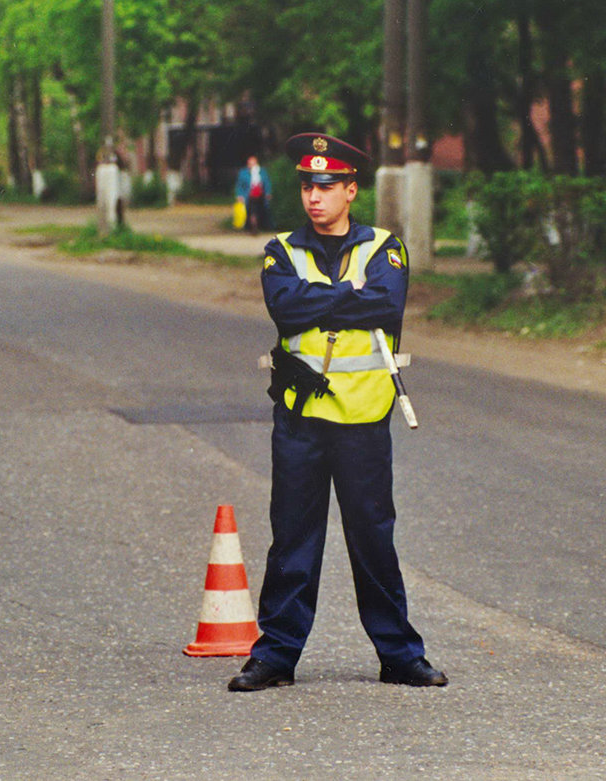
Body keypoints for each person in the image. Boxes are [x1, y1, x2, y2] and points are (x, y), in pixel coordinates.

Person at [228, 133, 446, 692]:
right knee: (293, 540)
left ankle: (399, 655)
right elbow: (285, 308)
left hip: (363, 420)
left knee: (372, 538)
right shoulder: (282, 249)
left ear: (351, 190)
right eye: (307, 185)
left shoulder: (384, 248)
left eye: (327, 186)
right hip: (300, 419)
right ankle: (276, 655)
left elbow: (385, 302)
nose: (314, 196)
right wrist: (348, 299)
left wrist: (318, 303)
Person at [234, 154, 273, 234]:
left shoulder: (262, 172)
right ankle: (254, 228)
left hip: (260, 195)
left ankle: (261, 226)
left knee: (261, 210)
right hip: (250, 195)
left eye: (253, 163)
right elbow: (239, 185)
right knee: (252, 211)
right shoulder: (243, 173)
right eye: (250, 164)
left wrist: (268, 192)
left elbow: (266, 183)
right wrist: (239, 195)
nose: (252, 165)